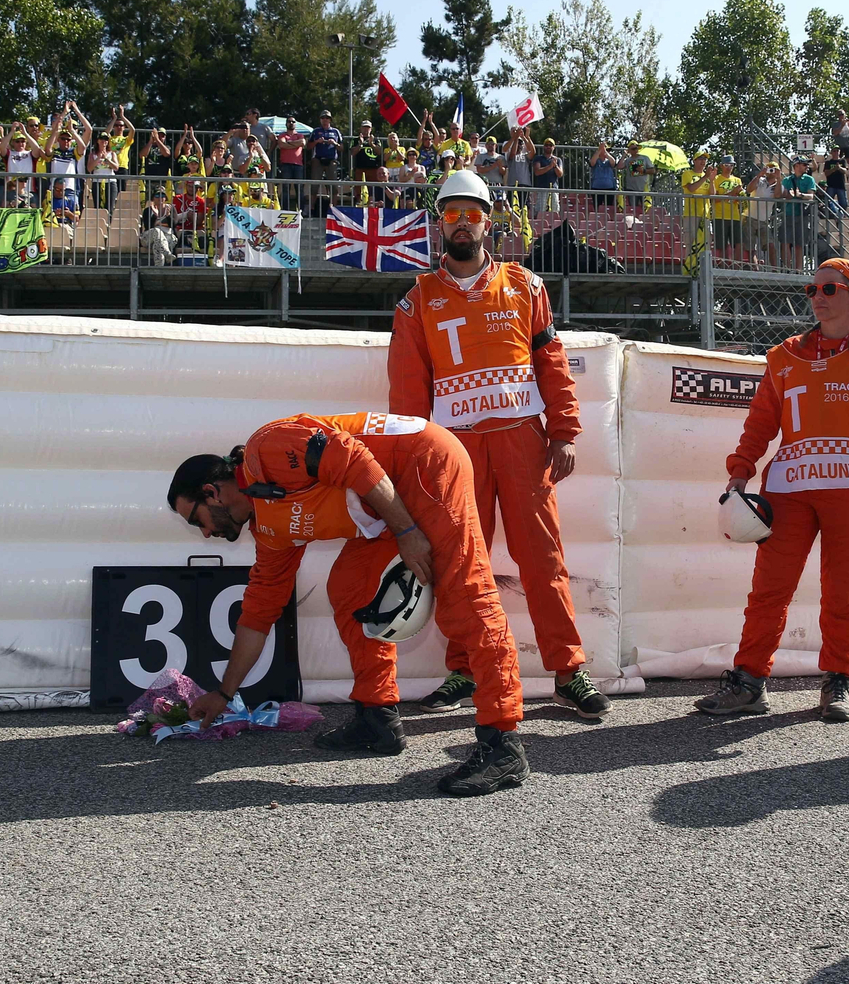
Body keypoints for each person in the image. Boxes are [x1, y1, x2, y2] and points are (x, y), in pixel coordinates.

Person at [167, 412, 529, 796]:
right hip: (388, 499)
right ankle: (377, 717)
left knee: (467, 599)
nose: (206, 533)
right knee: (349, 589)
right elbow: (258, 613)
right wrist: (224, 694)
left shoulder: (267, 449)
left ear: (211, 492)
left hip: (426, 461)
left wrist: (407, 532)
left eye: (197, 521)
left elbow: (355, 460)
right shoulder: (269, 529)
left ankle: (502, 742)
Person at [387, 170, 612, 721]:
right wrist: (414, 460)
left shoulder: (525, 284)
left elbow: (551, 362)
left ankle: (567, 670)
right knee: (464, 561)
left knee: (543, 558)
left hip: (522, 440)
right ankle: (464, 668)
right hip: (455, 449)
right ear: (440, 223)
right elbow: (407, 391)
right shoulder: (416, 301)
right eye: (451, 215)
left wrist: (564, 430)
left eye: (472, 213)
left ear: (490, 220)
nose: (462, 224)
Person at [696, 259, 849, 720]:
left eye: (831, 288)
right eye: (812, 287)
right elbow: (760, 422)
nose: (818, 295)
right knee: (769, 591)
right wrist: (740, 470)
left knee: (842, 591)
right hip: (788, 490)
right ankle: (749, 681)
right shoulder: (782, 356)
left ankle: (837, 682)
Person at [780, 157, 817, 270]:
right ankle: (788, 268)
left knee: (799, 244)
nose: (807, 167)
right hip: (788, 213)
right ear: (796, 166)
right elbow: (782, 194)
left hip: (802, 214)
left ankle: (798, 270)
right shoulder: (786, 180)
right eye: (804, 164)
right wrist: (788, 195)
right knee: (785, 242)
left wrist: (800, 195)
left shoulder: (809, 179)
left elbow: (811, 196)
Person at [709, 156, 746, 262]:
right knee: (722, 244)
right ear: (721, 166)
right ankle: (724, 266)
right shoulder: (716, 179)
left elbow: (740, 199)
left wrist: (739, 197)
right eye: (726, 165)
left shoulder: (737, 180)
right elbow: (713, 198)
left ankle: (737, 266)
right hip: (719, 216)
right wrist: (731, 193)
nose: (729, 167)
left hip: (735, 216)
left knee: (739, 242)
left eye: (731, 165)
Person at [307, 110, 342, 184]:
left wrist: (334, 143)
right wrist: (317, 141)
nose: (325, 119)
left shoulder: (336, 132)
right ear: (320, 119)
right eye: (323, 118)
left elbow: (342, 148)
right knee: (314, 185)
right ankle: (314, 195)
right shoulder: (315, 131)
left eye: (327, 118)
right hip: (318, 160)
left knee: (333, 186)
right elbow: (308, 146)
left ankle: (333, 195)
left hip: (331, 160)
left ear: (330, 120)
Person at [530, 137, 562, 215]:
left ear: (553, 147)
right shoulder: (538, 158)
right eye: (546, 145)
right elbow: (537, 172)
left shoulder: (557, 160)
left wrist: (555, 166)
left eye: (550, 145)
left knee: (555, 211)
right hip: (542, 188)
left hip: (554, 188)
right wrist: (550, 166)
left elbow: (560, 174)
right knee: (540, 210)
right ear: (544, 146)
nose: (548, 146)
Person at [620, 141, 655, 212]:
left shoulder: (645, 158)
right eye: (633, 149)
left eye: (636, 148)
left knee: (646, 209)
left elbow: (653, 171)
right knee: (633, 210)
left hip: (643, 189)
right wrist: (624, 155)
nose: (635, 150)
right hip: (631, 189)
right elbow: (619, 166)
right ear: (629, 150)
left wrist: (643, 171)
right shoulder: (628, 160)